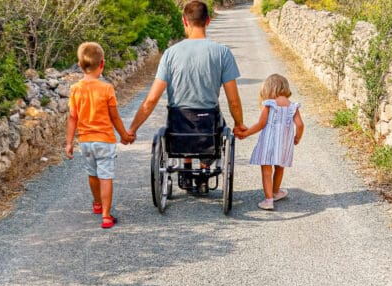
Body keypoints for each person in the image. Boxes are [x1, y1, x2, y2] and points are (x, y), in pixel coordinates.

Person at [127, 0, 245, 192]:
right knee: (215, 122)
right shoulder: (222, 53)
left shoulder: (170, 54)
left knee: (184, 120)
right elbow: (233, 100)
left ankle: (187, 170)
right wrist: (239, 124)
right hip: (207, 122)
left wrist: (132, 129)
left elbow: (151, 100)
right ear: (208, 20)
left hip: (179, 122)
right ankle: (204, 174)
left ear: (184, 21)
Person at [65, 42, 135, 229]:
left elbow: (72, 118)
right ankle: (106, 215)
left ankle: (97, 203)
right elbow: (115, 117)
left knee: (92, 173)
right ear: (102, 64)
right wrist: (124, 136)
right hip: (104, 141)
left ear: (80, 65)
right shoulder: (107, 89)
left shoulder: (75, 89)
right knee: (106, 176)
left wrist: (69, 143)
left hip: (85, 142)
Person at [235, 74, 304, 210]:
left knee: (266, 171)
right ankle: (276, 192)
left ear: (269, 89)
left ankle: (268, 200)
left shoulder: (269, 104)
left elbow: (261, 124)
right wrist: (297, 137)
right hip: (283, 145)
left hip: (268, 143)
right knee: (280, 168)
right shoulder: (293, 106)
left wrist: (245, 134)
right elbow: (300, 125)